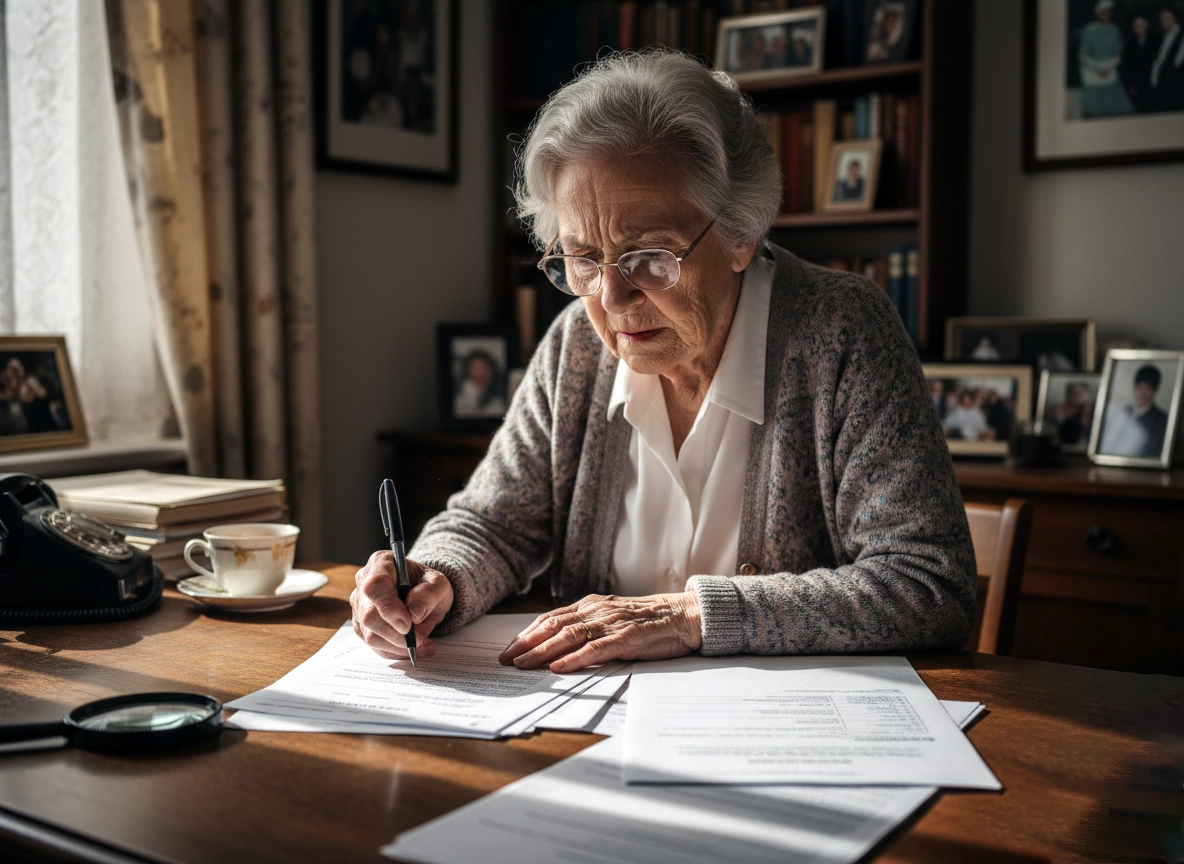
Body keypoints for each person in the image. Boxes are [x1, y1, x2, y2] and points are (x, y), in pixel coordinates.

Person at [351, 51, 976, 673]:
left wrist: (689, 617)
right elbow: (490, 526)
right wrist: (436, 578)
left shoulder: (842, 331)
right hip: (589, 728)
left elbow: (928, 584)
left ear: (740, 233)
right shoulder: (576, 346)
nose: (612, 298)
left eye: (651, 255)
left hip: (783, 738)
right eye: (583, 258)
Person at [1098, 364, 1170, 458]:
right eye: (1139, 387)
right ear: (1134, 388)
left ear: (1155, 391)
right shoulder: (1122, 412)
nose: (1142, 393)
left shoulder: (1163, 420)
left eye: (1148, 388)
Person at [1079, 0, 1134, 118]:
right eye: (1103, 11)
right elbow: (1083, 55)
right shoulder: (1089, 30)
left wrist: (1109, 67)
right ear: (1098, 13)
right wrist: (1098, 69)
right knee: (1094, 114)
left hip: (1111, 72)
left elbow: (1119, 54)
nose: (1106, 14)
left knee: (1116, 113)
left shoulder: (1115, 29)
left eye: (1108, 12)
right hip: (1093, 73)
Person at [1122, 13, 1160, 112]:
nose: (1139, 28)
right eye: (1136, 25)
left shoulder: (1156, 40)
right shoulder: (1130, 43)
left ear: (1147, 25)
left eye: (1141, 25)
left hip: (1152, 84)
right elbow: (1126, 66)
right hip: (1136, 86)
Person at [452, 349, 506, 419]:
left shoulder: (498, 392)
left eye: (485, 367)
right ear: (467, 370)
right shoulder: (460, 395)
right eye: (477, 368)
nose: (481, 372)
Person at [1150, 7, 1184, 112]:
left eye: (1168, 18)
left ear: (1175, 18)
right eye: (1163, 19)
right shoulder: (1163, 37)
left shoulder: (1181, 34)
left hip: (1177, 83)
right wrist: (1154, 79)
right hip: (1164, 84)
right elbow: (1159, 60)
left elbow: (1178, 60)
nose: (1165, 22)